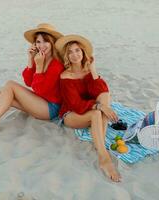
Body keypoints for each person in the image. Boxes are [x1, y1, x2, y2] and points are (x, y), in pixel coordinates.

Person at [55, 34, 121, 182]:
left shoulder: (87, 71)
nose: (74, 55)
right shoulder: (65, 77)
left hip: (88, 108)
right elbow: (75, 105)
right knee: (97, 113)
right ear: (66, 56)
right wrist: (99, 106)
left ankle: (99, 142)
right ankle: (103, 157)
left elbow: (101, 91)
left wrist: (93, 69)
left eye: (77, 50)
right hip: (71, 114)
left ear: (83, 52)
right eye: (70, 52)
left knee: (104, 96)